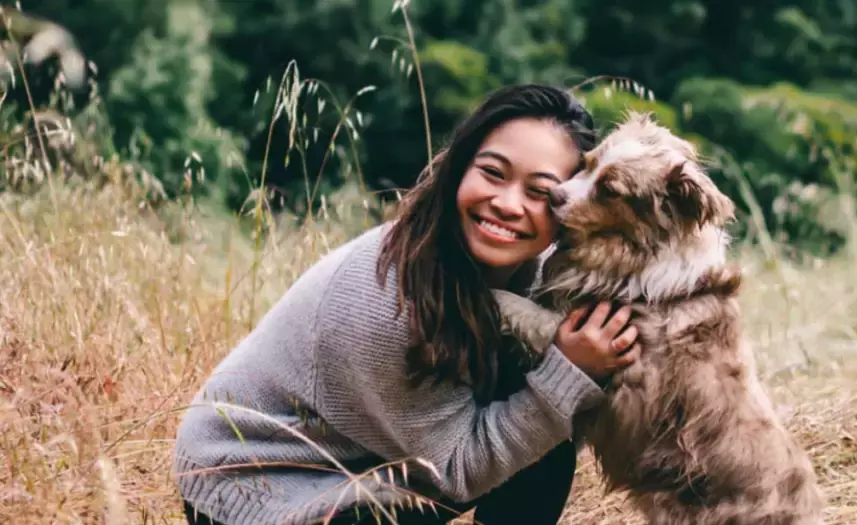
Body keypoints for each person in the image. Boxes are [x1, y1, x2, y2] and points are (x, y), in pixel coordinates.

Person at [173, 83, 642, 525]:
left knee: (547, 426)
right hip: (258, 488)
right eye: (492, 173)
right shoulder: (387, 303)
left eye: (541, 192)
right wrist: (566, 373)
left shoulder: (538, 267)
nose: (507, 204)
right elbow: (459, 470)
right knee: (550, 396)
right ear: (459, 167)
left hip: (368, 457)